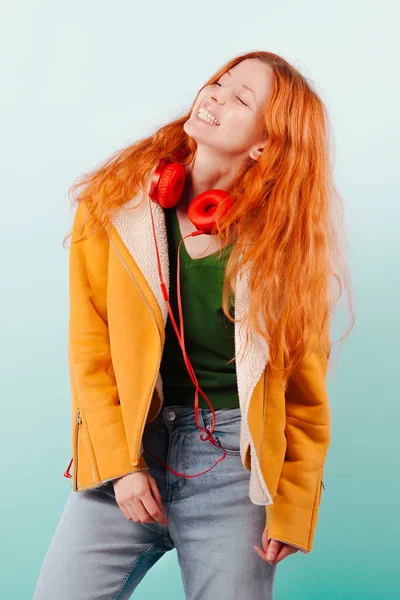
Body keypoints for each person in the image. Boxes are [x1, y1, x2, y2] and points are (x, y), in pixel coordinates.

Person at [33, 50, 353, 599]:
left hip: (235, 465)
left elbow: (304, 392)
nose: (214, 97)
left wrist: (295, 504)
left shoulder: (286, 253)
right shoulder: (114, 206)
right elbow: (91, 352)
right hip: (133, 443)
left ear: (265, 144)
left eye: (240, 99)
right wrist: (120, 464)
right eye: (219, 83)